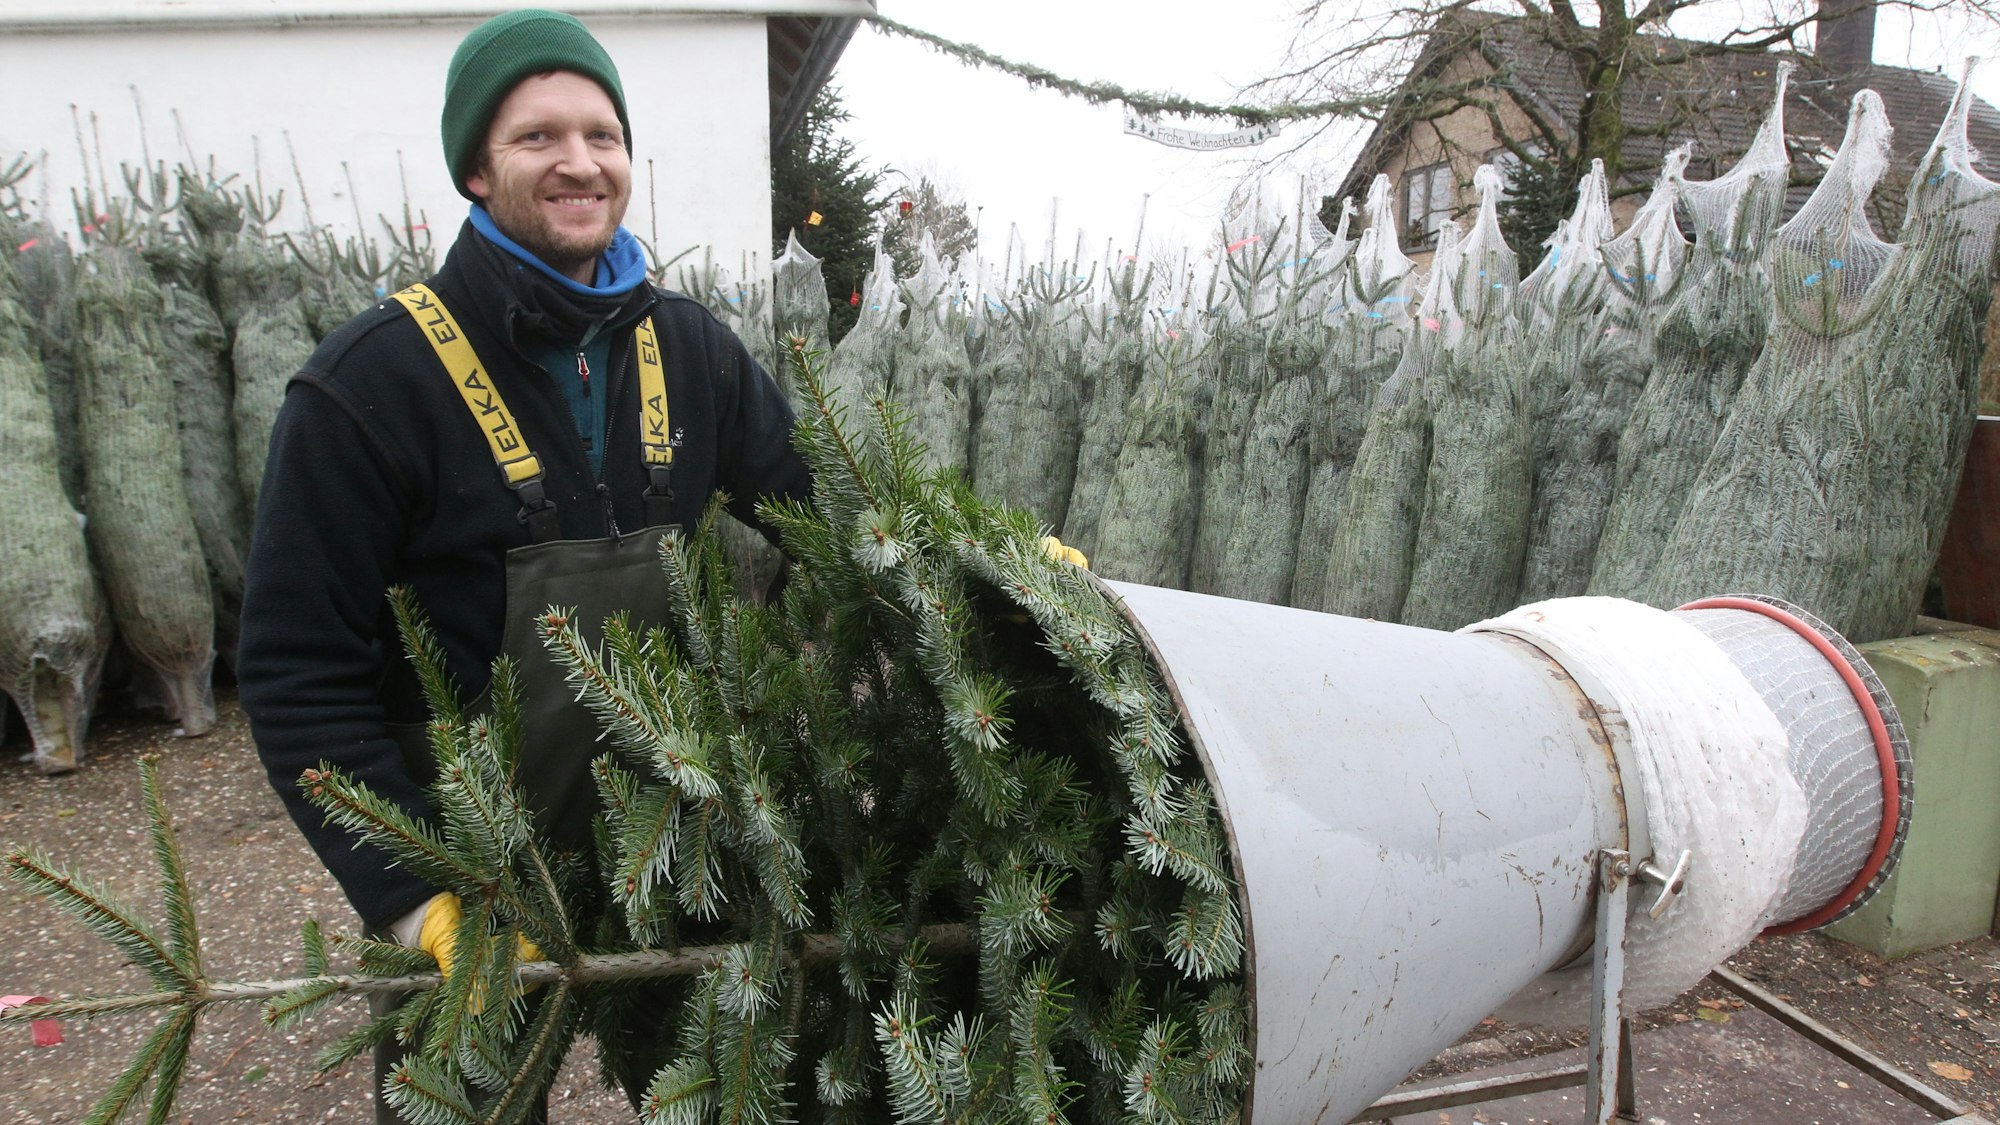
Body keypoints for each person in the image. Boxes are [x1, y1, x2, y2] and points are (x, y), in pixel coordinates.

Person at [236, 9, 811, 1119]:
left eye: (602, 134)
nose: (579, 161)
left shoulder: (691, 351)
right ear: (473, 167)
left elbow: (823, 512)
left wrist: (966, 553)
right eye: (537, 136)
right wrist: (415, 900)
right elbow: (295, 674)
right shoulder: (367, 384)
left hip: (668, 838)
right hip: (470, 866)